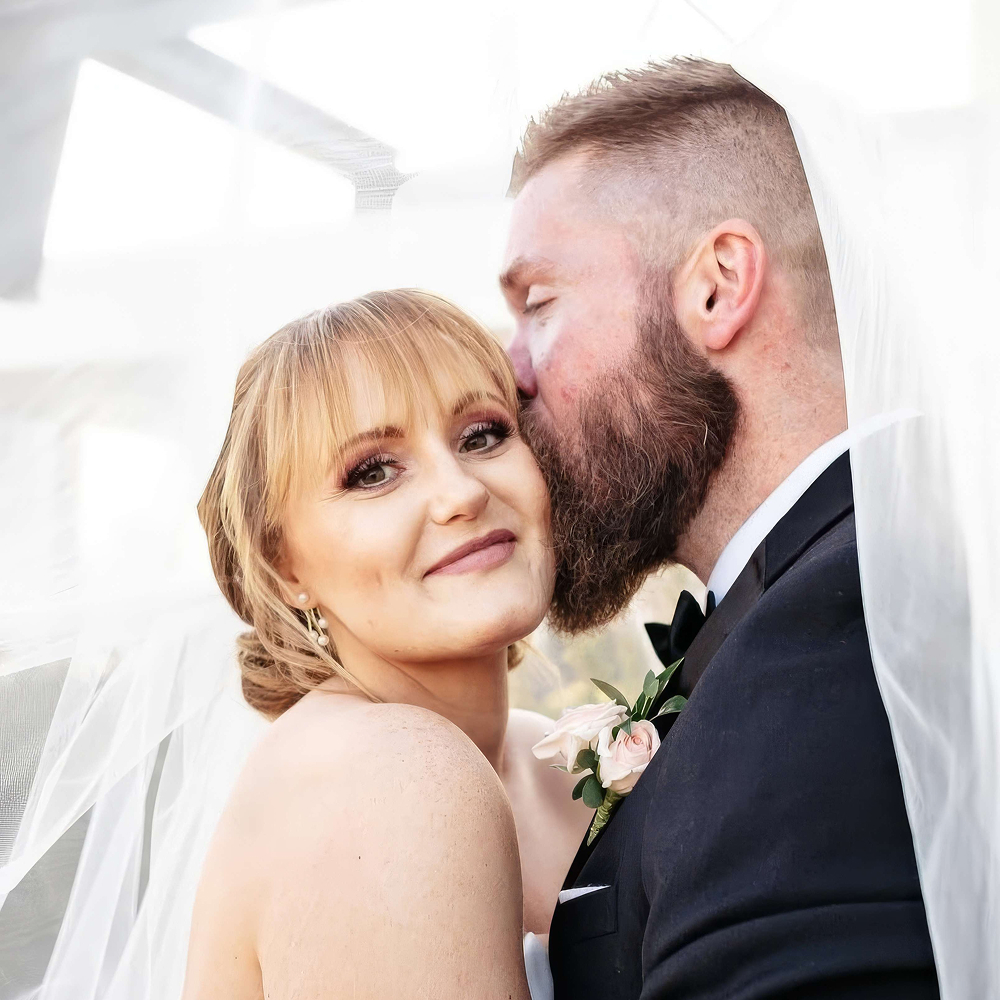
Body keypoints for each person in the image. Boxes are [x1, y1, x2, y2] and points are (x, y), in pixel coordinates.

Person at [501, 59, 941, 998]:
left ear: (718, 287)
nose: (509, 377)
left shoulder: (831, 633)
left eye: (538, 304)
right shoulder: (859, 572)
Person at [182, 289, 589, 999]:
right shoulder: (386, 777)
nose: (460, 492)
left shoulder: (554, 758)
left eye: (483, 435)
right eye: (372, 471)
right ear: (286, 567)